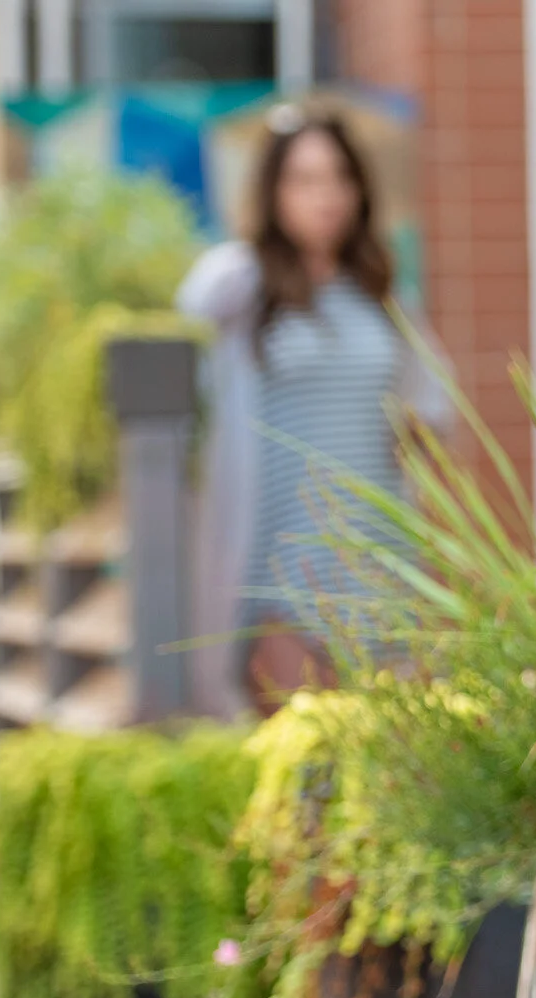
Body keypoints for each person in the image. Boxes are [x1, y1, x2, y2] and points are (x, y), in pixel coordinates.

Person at [178, 105, 451, 718]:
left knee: (385, 767)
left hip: (379, 557)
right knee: (301, 769)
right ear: (273, 191)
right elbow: (187, 333)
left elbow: (428, 412)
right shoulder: (242, 287)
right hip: (280, 563)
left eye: (337, 177)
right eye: (303, 179)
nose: (324, 195)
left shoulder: (381, 291)